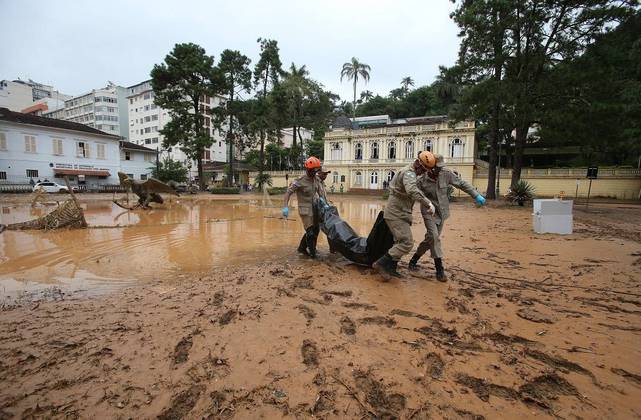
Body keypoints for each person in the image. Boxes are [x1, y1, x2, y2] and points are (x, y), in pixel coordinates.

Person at [409, 152, 486, 281]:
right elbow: (413, 195)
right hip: (428, 211)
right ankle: (439, 269)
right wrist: (407, 213)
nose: (439, 170)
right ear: (430, 166)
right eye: (436, 167)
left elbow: (461, 184)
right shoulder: (421, 180)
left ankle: (414, 259)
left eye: (440, 167)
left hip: (442, 212)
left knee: (430, 239)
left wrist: (475, 195)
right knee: (434, 237)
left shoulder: (446, 173)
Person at [373, 151, 435, 281]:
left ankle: (391, 268)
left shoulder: (411, 173)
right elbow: (412, 190)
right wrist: (427, 202)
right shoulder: (408, 173)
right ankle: (381, 263)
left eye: (425, 171)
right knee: (407, 242)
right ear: (417, 163)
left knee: (399, 241)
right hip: (396, 213)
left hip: (400, 212)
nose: (422, 173)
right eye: (423, 169)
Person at [283, 157, 323, 258]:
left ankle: (301, 248)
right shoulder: (300, 181)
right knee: (310, 232)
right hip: (304, 210)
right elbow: (288, 193)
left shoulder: (316, 179)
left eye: (316, 171)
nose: (314, 173)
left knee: (316, 230)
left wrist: (324, 203)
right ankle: (313, 254)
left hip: (315, 208)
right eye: (313, 171)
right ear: (308, 170)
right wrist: (285, 207)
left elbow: (320, 193)